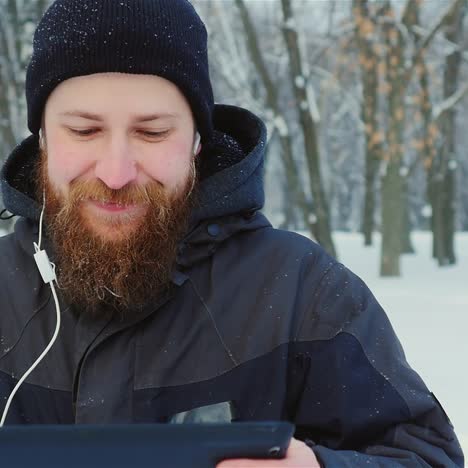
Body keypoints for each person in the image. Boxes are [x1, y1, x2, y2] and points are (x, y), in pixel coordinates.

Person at [0, 0, 463, 466]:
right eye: (83, 130)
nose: (116, 171)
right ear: (42, 138)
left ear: (198, 141)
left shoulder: (304, 295)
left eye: (153, 132)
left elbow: (426, 457)